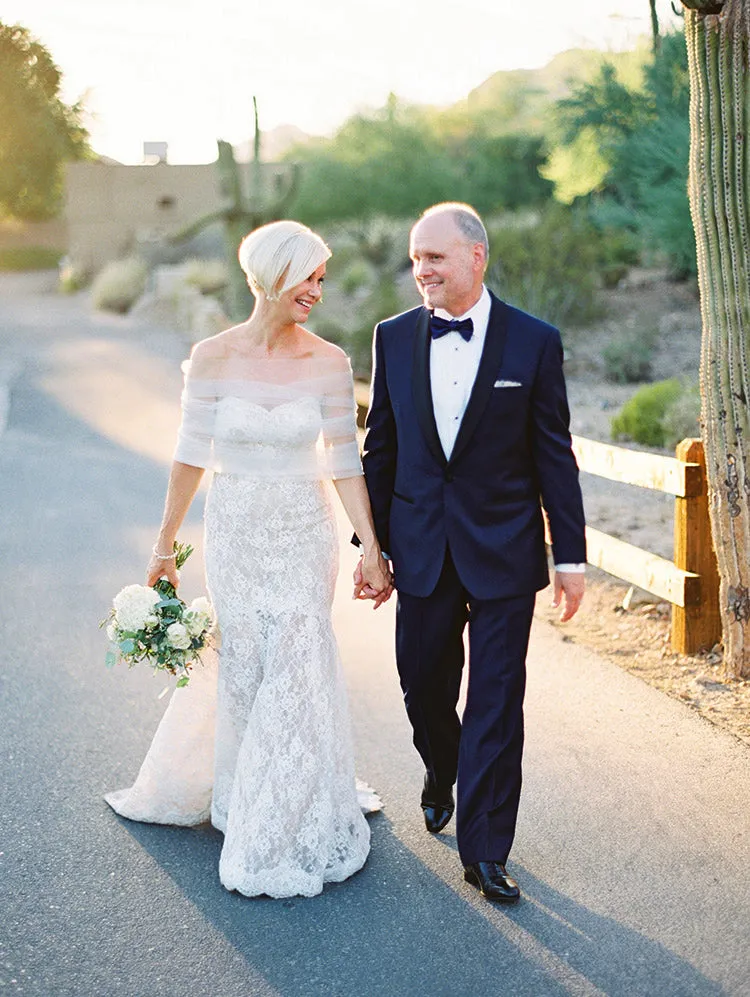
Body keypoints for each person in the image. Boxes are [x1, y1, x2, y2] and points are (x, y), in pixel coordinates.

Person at [105, 220, 392, 899]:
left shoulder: (327, 361)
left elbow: (345, 462)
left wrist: (371, 546)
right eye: (309, 277)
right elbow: (189, 454)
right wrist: (164, 545)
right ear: (271, 273)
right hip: (234, 533)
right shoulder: (211, 355)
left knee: (296, 653)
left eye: (323, 278)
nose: (318, 291)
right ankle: (241, 788)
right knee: (246, 665)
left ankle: (286, 813)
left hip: (301, 533)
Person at [355, 202, 586, 903]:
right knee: (423, 685)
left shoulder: (534, 342)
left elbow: (554, 453)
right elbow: (381, 449)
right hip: (421, 547)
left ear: (476, 257)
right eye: (415, 258)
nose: (421, 270)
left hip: (506, 552)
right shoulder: (392, 337)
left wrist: (569, 557)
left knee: (496, 698)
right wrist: (373, 546)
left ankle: (486, 849)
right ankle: (439, 763)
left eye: (435, 257)